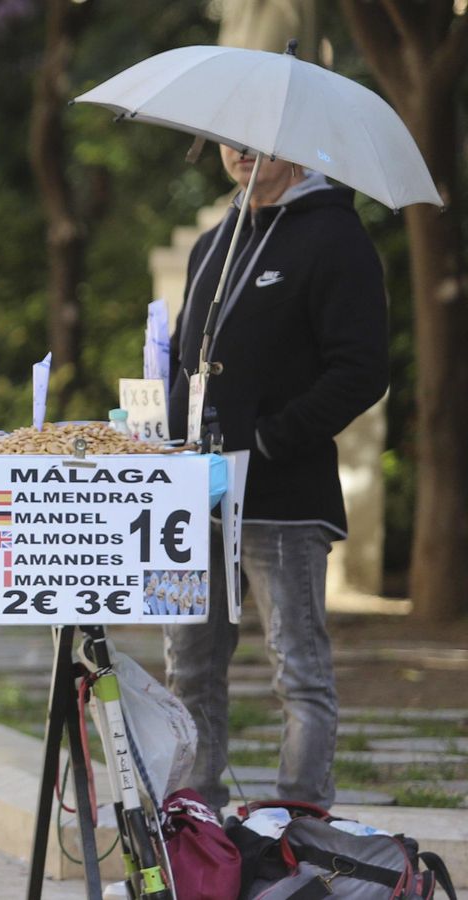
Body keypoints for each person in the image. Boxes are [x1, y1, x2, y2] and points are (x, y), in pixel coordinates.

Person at [165, 144, 389, 812]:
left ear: (296, 148)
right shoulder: (214, 240)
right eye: (230, 138)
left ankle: (301, 826)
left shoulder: (336, 237)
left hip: (283, 499)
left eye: (258, 140)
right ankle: (194, 822)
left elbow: (361, 370)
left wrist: (269, 438)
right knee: (189, 668)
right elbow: (183, 356)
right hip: (192, 494)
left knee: (298, 670)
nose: (239, 152)